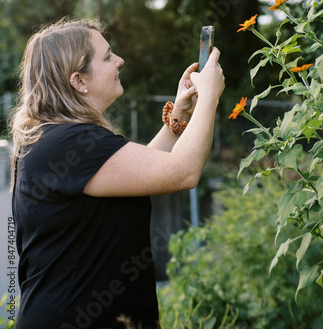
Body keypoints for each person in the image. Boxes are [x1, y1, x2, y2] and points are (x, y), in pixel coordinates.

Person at [10, 18, 225, 329]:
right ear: (78, 80)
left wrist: (181, 113)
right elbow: (183, 172)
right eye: (108, 56)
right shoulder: (72, 144)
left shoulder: (57, 140)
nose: (119, 60)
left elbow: (148, 169)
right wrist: (209, 98)